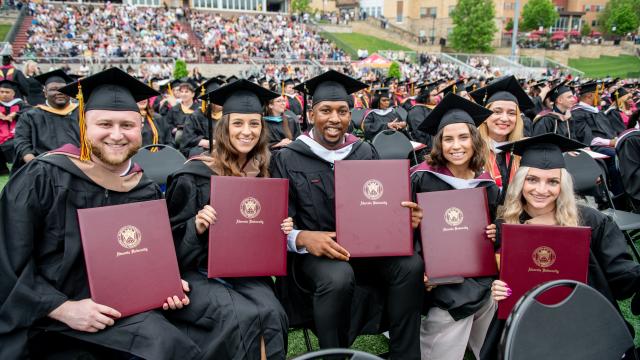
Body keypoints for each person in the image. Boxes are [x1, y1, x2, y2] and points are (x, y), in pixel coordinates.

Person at [0, 67, 200, 359]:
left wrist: (164, 281)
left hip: (121, 312)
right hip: (46, 322)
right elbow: (7, 262)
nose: (117, 135)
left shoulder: (142, 187)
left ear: (140, 127)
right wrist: (62, 308)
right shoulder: (41, 178)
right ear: (83, 125)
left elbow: (141, 253)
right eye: (104, 124)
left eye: (127, 125)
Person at [271, 70, 424, 359]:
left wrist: (404, 221)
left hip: (366, 249)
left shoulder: (364, 151)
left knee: (411, 265)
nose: (335, 119)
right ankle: (334, 355)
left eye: (342, 111)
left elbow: (381, 206)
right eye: (325, 110)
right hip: (315, 258)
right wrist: (302, 238)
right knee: (338, 275)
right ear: (311, 113)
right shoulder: (288, 157)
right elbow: (278, 224)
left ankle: (405, 354)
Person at [165, 79, 290, 359]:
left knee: (272, 312)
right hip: (196, 272)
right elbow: (165, 248)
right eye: (238, 124)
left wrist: (280, 228)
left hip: (245, 271)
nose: (247, 132)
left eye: (254, 124)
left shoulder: (264, 173)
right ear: (224, 127)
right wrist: (195, 227)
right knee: (241, 317)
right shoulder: (193, 176)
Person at [488, 133, 640, 359]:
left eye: (552, 181)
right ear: (520, 181)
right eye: (532, 179)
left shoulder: (592, 222)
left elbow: (621, 281)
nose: (541, 189)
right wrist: (498, 289)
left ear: (564, 184)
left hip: (585, 321)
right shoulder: (506, 226)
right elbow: (505, 280)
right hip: (526, 322)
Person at [410, 93, 498, 360]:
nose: (456, 146)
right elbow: (402, 232)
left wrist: (496, 231)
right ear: (438, 143)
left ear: (475, 140)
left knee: (492, 292)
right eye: (448, 139)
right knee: (459, 296)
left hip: (474, 268)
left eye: (463, 137)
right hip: (432, 274)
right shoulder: (421, 177)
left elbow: (495, 227)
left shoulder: (486, 184)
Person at [469, 75, 533, 189]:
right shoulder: (471, 150)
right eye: (497, 112)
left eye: (511, 113)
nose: (504, 118)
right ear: (485, 116)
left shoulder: (525, 152)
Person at [12, 69, 79, 174]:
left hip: (79, 165)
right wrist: (33, 163)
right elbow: (22, 142)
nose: (59, 92)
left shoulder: (83, 113)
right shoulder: (30, 116)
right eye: (53, 89)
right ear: (45, 93)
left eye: (63, 88)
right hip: (43, 166)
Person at [572, 80, 624, 195]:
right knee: (615, 155)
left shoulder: (597, 112)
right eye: (599, 94)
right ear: (590, 95)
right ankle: (617, 193)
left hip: (607, 145)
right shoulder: (578, 113)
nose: (602, 97)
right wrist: (610, 142)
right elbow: (587, 138)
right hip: (592, 148)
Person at [180, 77, 226, 157]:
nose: (221, 101)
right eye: (218, 99)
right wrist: (207, 143)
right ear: (208, 101)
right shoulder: (195, 116)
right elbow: (187, 141)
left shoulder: (227, 115)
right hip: (203, 153)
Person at [0, 79, 29, 175]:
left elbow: (31, 111)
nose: (4, 94)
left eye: (7, 92)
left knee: (18, 144)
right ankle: (2, 170)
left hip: (16, 134)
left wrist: (16, 113)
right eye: (1, 92)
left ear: (13, 93)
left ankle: (21, 168)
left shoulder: (20, 104)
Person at [163, 78, 199, 145]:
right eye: (181, 92)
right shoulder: (174, 109)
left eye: (186, 92)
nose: (183, 94)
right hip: (177, 140)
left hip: (195, 140)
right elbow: (167, 124)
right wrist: (173, 129)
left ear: (193, 94)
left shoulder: (199, 109)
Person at [407, 81, 439, 150]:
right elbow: (420, 135)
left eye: (437, 94)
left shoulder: (435, 107)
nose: (437, 97)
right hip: (424, 150)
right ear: (425, 96)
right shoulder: (416, 111)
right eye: (434, 95)